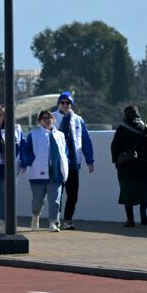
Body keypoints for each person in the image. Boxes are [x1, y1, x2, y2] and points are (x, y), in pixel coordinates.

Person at [19, 108, 68, 231]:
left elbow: (65, 152)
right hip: (38, 172)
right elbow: (26, 151)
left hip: (55, 171)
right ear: (40, 121)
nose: (48, 120)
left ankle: (53, 222)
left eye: (50, 117)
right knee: (38, 200)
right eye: (45, 118)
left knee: (55, 199)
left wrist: (66, 165)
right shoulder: (33, 134)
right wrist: (30, 161)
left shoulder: (60, 135)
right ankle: (35, 216)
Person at [54, 92, 94, 230]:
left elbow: (85, 140)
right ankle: (55, 219)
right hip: (58, 162)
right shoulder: (52, 118)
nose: (65, 105)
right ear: (59, 103)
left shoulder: (78, 120)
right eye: (63, 102)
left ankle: (68, 220)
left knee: (73, 194)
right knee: (57, 192)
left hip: (73, 162)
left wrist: (90, 160)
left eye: (68, 103)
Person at [112, 103, 147, 227]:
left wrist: (116, 161)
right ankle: (143, 211)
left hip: (125, 167)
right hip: (141, 166)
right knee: (142, 191)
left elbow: (114, 146)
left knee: (127, 192)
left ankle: (130, 220)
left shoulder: (121, 128)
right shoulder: (144, 127)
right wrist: (145, 158)